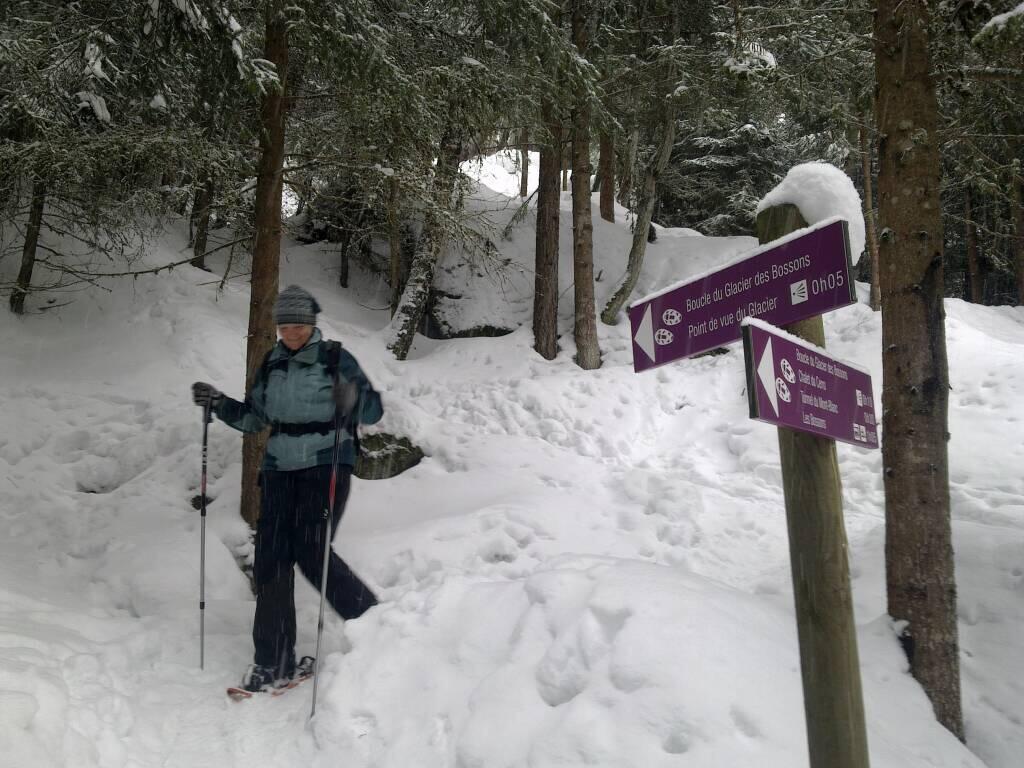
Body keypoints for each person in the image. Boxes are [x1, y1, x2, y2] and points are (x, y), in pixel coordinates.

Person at [191, 284, 382, 692]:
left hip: (327, 463)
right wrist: (218, 403)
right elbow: (254, 419)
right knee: (271, 559)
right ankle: (273, 661)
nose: (292, 333)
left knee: (312, 552)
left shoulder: (335, 358)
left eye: (299, 326)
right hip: (279, 468)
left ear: (312, 325)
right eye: (285, 326)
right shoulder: (272, 363)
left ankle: (379, 626)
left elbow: (373, 410)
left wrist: (354, 398)